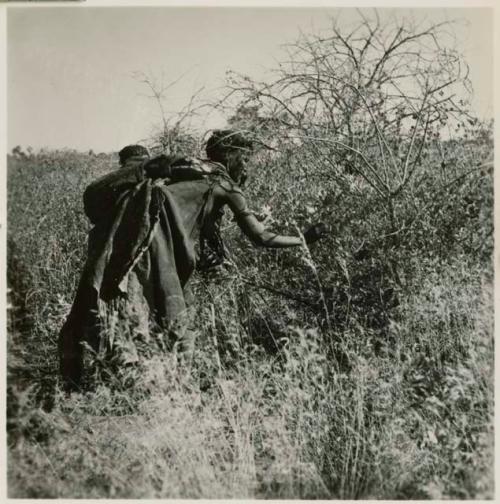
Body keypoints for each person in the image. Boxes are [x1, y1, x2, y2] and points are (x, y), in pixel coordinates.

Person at [58, 130, 326, 388]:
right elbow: (261, 237)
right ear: (231, 156)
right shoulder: (224, 183)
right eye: (244, 159)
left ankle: (105, 379)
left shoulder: (183, 173)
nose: (246, 166)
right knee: (175, 320)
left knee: (141, 310)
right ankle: (172, 391)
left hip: (134, 240)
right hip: (157, 245)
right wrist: (303, 239)